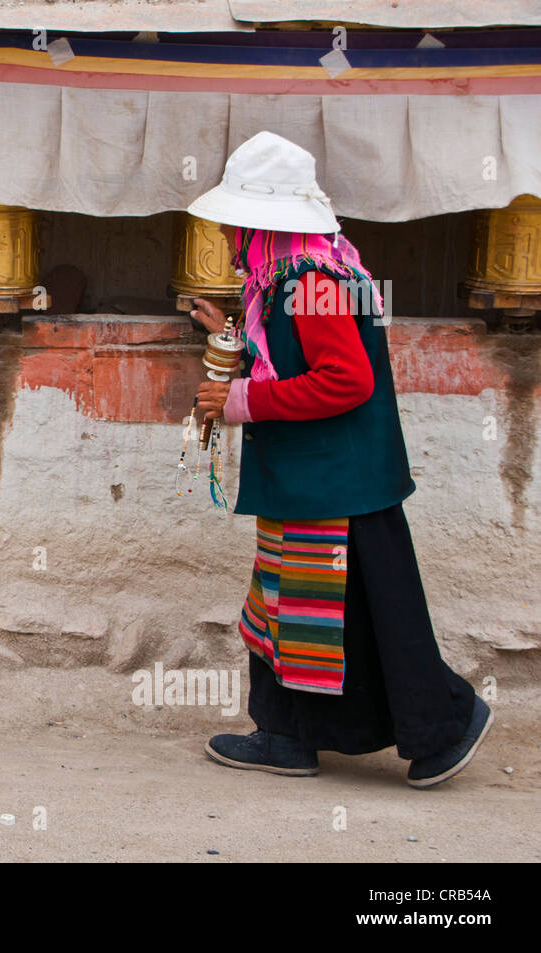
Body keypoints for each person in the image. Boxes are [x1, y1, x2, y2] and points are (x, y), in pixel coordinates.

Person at [185, 131, 491, 788]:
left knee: (359, 614)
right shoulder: (304, 273)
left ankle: (443, 724)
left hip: (337, 484)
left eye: (236, 222)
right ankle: (291, 735)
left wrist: (241, 399)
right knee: (298, 610)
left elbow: (345, 379)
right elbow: (292, 355)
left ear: (260, 222)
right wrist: (227, 338)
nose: (230, 237)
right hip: (324, 480)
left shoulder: (312, 280)